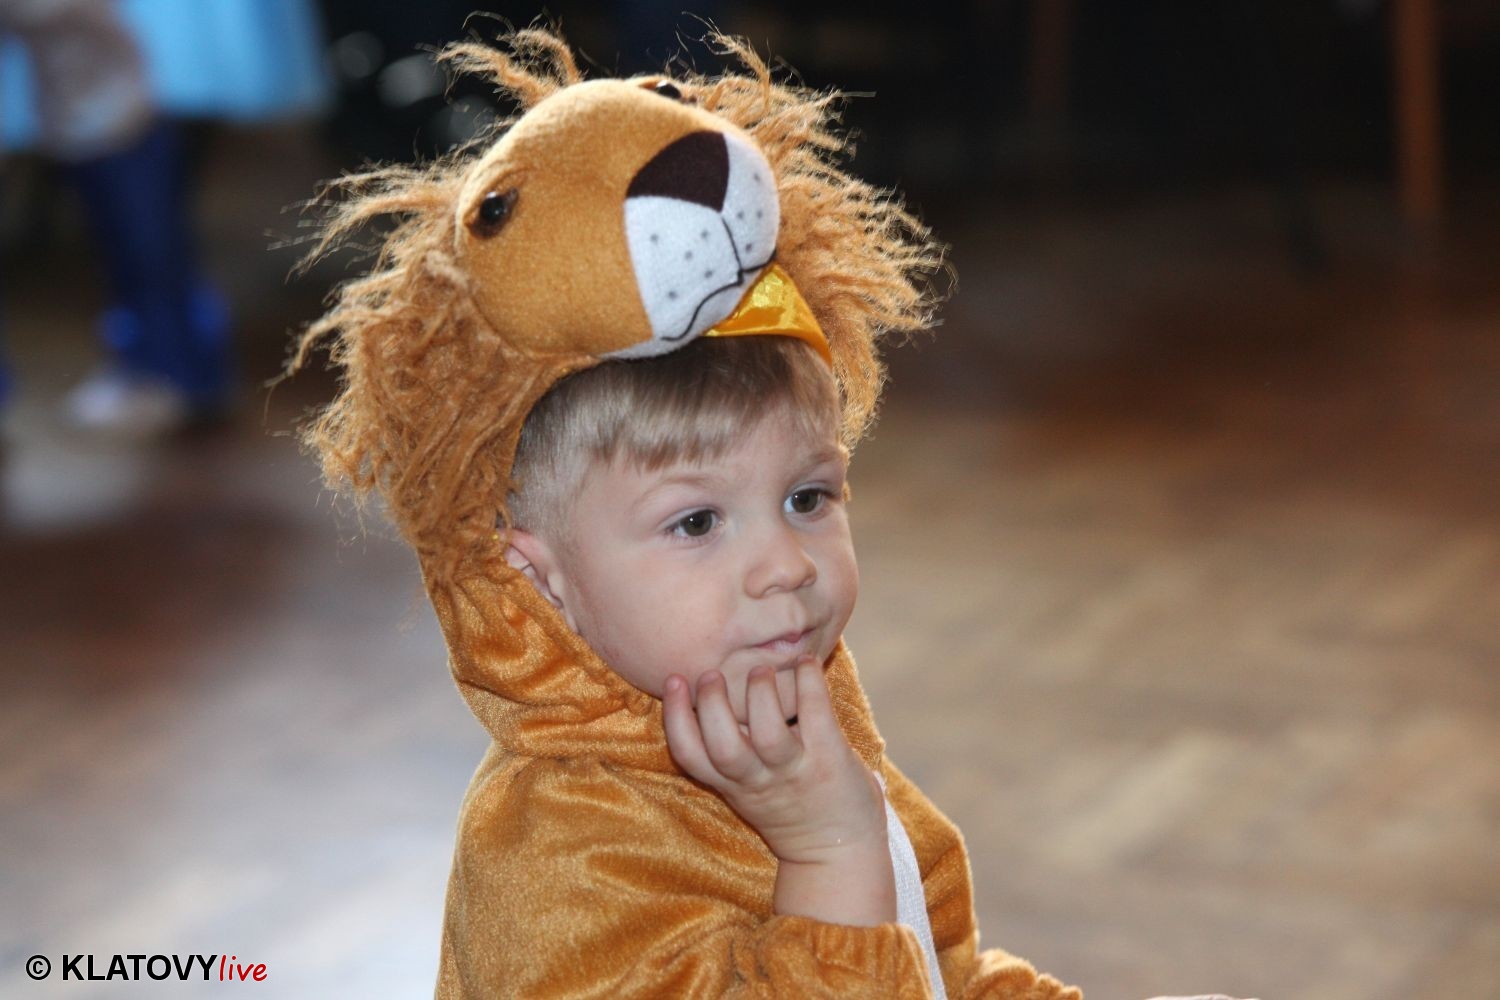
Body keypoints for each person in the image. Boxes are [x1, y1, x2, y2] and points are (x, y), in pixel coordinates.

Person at [290, 26, 1248, 999]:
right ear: (538, 580)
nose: (788, 562)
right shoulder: (558, 852)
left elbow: (933, 971)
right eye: (696, 522)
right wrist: (829, 847)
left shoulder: (791, 711)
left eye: (807, 497)